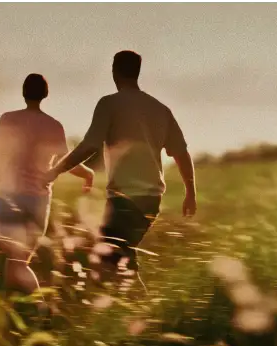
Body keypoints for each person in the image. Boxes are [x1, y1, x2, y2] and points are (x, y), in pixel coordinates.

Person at [45, 50, 197, 286]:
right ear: (137, 72)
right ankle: (139, 311)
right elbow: (180, 152)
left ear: (114, 72)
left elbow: (89, 145)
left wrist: (55, 170)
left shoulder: (109, 104)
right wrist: (190, 192)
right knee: (123, 257)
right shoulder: (160, 109)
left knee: (108, 259)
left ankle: (134, 313)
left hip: (124, 198)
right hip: (152, 199)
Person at [0, 73, 95, 294]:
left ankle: (38, 307)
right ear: (45, 94)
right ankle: (22, 309)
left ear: (23, 93)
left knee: (16, 262)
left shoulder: (8, 119)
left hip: (8, 197)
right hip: (38, 201)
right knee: (18, 262)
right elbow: (67, 162)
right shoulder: (54, 126)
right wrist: (88, 175)